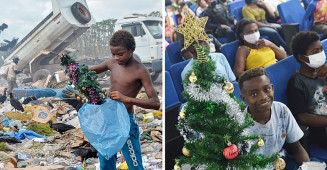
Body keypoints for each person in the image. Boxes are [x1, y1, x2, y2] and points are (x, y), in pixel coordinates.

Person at [88, 30, 160, 169]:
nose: (116, 57)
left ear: (132, 49)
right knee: (106, 163)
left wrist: (126, 99)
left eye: (120, 54)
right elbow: (87, 71)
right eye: (113, 54)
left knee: (134, 164)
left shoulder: (140, 70)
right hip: (108, 121)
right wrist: (70, 65)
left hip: (126, 121)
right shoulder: (111, 64)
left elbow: (155, 103)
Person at [239, 68, 309, 169]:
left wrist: (307, 166)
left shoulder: (281, 110)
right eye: (254, 94)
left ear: (272, 88)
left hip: (281, 161)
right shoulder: (239, 124)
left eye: (266, 89)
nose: (263, 97)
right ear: (244, 98)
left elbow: (297, 149)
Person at [287, 31, 327, 151]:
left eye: (321, 49)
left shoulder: (323, 72)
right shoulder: (297, 82)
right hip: (322, 130)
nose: (321, 53)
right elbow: (302, 117)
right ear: (302, 57)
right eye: (315, 51)